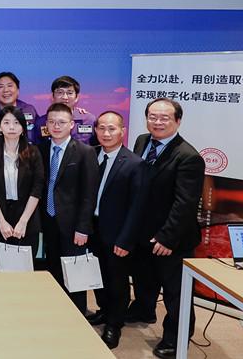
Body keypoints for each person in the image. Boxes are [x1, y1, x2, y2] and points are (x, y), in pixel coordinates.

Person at [128, 98, 204, 358]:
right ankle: (143, 310)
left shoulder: (188, 157)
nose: (157, 122)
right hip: (143, 231)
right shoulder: (142, 141)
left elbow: (186, 203)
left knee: (175, 292)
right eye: (152, 117)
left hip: (172, 237)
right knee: (144, 277)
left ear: (178, 121)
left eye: (164, 118)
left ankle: (175, 337)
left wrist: (167, 238)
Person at [86, 111, 147, 350]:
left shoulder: (134, 163)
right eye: (101, 128)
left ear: (122, 131)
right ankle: (103, 310)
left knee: (117, 280)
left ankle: (114, 323)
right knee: (97, 275)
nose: (106, 133)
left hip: (117, 234)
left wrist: (126, 240)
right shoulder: (90, 155)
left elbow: (137, 208)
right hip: (91, 229)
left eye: (112, 128)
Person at [38, 103, 99, 313]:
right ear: (46, 124)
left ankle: (78, 313)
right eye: (52, 122)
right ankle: (56, 310)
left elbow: (89, 194)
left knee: (75, 274)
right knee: (53, 269)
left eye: (62, 122)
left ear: (72, 124)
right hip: (48, 220)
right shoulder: (41, 149)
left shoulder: (85, 152)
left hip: (74, 226)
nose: (56, 126)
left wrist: (83, 227)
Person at [0, 106, 44, 260]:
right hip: (0, 219)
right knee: (2, 269)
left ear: (23, 127)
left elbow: (37, 189)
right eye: (6, 122)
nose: (11, 127)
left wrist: (23, 221)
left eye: (16, 123)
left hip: (27, 219)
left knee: (24, 268)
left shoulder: (33, 152)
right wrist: (1, 222)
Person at [34, 75, 98, 146]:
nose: (65, 97)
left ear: (77, 97)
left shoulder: (89, 120)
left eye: (69, 93)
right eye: (60, 92)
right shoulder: (41, 122)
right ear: (52, 96)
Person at [0, 71, 39, 143]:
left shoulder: (29, 110)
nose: (6, 90)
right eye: (1, 87)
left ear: (18, 90)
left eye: (10, 86)